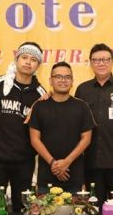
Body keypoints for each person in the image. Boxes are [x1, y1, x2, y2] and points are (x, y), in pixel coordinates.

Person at [0, 42, 45, 213]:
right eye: (24, 57)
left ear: (38, 65)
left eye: (33, 60)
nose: (28, 62)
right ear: (16, 59)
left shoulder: (40, 94)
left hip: (24, 162)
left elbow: (41, 129)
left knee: (22, 208)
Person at [75, 43, 113, 204]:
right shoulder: (82, 90)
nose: (101, 63)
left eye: (105, 59)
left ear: (112, 61)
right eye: (96, 60)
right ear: (90, 63)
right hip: (91, 161)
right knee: (94, 208)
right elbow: (76, 125)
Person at [28, 61, 95, 193]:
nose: (63, 80)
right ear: (50, 81)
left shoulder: (82, 106)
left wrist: (67, 162)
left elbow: (86, 139)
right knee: (45, 207)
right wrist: (53, 163)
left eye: (67, 77)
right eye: (58, 77)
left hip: (73, 175)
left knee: (76, 207)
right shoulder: (39, 106)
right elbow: (35, 139)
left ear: (72, 81)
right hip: (46, 176)